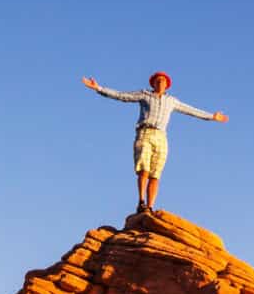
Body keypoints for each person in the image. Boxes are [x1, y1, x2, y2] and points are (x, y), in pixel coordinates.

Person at [80, 72, 227, 213]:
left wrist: (212, 116)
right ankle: (141, 201)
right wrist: (98, 88)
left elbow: (191, 110)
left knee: (156, 174)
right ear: (153, 83)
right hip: (145, 133)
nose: (160, 82)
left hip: (161, 137)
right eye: (158, 80)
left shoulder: (171, 101)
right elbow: (122, 96)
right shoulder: (145, 95)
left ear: (167, 85)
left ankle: (150, 206)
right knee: (144, 168)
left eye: (163, 80)